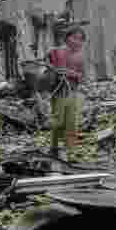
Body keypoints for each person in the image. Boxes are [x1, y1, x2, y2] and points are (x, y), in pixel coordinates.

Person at [47, 27, 85, 159]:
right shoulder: (56, 52)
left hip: (72, 92)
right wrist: (55, 71)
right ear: (67, 38)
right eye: (74, 38)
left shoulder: (80, 57)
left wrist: (72, 73)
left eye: (80, 39)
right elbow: (47, 69)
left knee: (71, 123)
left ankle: (71, 152)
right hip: (59, 92)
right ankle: (54, 147)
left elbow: (82, 76)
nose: (77, 42)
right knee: (58, 122)